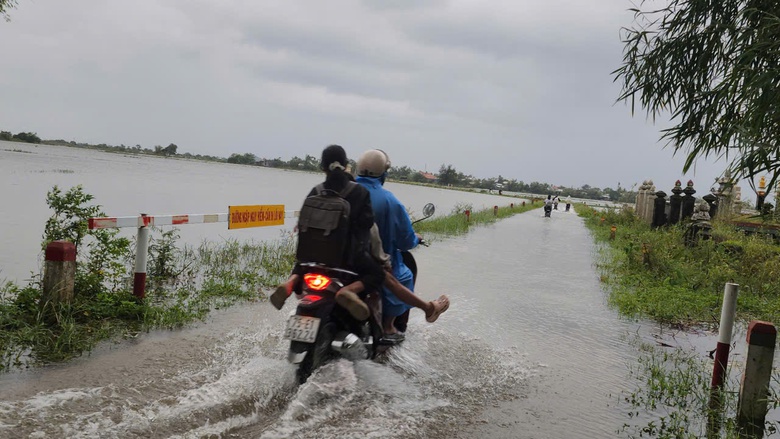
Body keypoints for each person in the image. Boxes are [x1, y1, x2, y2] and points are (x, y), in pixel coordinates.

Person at [270, 145, 384, 321]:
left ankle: (291, 281)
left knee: (302, 266)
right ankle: (349, 291)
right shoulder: (360, 192)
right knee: (378, 274)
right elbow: (367, 224)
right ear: (346, 165)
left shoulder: (315, 191)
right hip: (348, 260)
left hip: (312, 258)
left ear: (323, 167)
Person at [355, 149, 448, 339]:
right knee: (403, 275)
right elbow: (406, 241)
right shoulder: (390, 201)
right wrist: (416, 238)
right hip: (372, 264)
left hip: (341, 261)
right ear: (383, 173)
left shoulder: (345, 191)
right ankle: (388, 326)